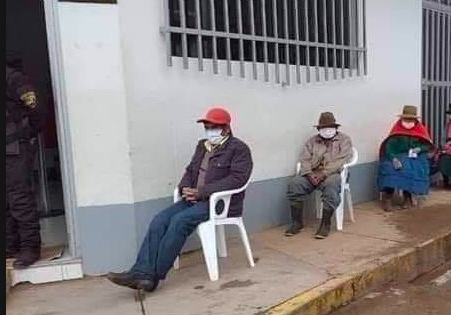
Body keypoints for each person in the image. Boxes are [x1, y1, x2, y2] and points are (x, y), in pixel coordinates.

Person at [107, 107, 253, 292]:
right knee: (159, 220)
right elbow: (191, 169)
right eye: (207, 126)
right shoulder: (202, 146)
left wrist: (202, 191)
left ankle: (151, 276)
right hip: (193, 199)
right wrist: (184, 187)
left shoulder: (239, 149)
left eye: (213, 127)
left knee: (179, 221)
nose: (209, 130)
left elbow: (237, 179)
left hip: (219, 203)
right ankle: (142, 272)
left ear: (225, 128)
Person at [285, 112, 353, 239]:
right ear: (319, 129)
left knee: (331, 186)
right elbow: (304, 158)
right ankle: (297, 222)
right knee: (295, 184)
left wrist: (324, 173)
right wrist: (308, 173)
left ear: (336, 128)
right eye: (324, 128)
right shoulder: (312, 141)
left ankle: (325, 224)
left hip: (332, 173)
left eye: (330, 127)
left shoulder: (345, 140)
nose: (327, 130)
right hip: (312, 174)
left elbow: (341, 160)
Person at [6, 54, 46, 269]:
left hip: (14, 149)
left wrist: (28, 133)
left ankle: (30, 248)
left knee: (19, 199)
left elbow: (37, 109)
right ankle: (10, 246)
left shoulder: (12, 79)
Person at [378, 105, 434, 211]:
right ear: (402, 119)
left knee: (412, 168)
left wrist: (419, 148)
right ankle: (388, 198)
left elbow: (428, 145)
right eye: (405, 119)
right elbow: (389, 147)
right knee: (389, 167)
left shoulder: (421, 129)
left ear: (415, 120)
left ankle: (407, 197)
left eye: (410, 119)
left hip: (414, 156)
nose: (408, 122)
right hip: (396, 155)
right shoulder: (397, 129)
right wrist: (393, 159)